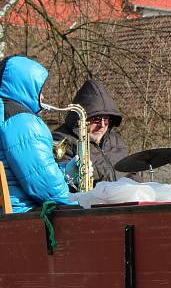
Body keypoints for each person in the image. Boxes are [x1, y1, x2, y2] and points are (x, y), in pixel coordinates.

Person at [0, 55, 73, 213]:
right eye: (39, 90)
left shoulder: (4, 112)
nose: (43, 97)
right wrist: (77, 201)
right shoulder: (22, 121)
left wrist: (64, 172)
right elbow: (46, 187)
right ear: (25, 86)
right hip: (21, 216)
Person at [51, 79, 139, 184]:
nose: (102, 125)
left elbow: (132, 172)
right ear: (81, 120)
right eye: (96, 119)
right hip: (88, 199)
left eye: (106, 119)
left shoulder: (116, 139)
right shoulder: (62, 139)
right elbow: (63, 181)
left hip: (122, 198)